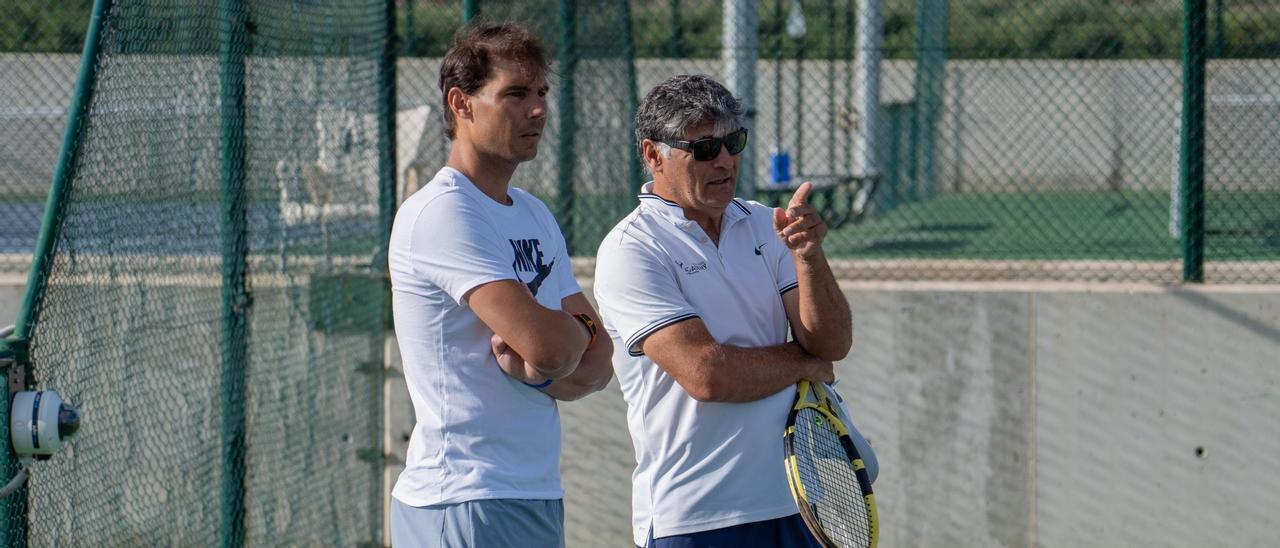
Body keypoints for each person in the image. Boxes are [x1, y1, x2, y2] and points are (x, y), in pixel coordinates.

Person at [593, 74, 853, 548]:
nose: (726, 160)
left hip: (799, 503)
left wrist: (810, 256)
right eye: (705, 148)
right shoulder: (632, 249)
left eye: (734, 142)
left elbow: (832, 344)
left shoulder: (763, 223)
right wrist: (804, 365)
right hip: (695, 518)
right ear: (654, 155)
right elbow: (707, 374)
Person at [387, 21, 614, 548]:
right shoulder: (444, 212)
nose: (537, 110)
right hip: (462, 499)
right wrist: (555, 348)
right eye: (514, 94)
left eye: (541, 93)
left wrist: (537, 372)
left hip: (533, 493)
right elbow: (557, 345)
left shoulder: (533, 214)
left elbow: (599, 362)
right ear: (460, 104)